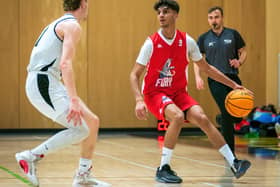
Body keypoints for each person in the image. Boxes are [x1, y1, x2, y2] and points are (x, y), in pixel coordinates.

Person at [129, 0, 251, 184]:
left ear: (176, 15)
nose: (161, 15)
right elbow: (134, 75)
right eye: (159, 12)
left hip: (178, 93)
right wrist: (139, 99)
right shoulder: (151, 43)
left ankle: (234, 162)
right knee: (177, 116)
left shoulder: (187, 41)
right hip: (155, 94)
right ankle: (163, 167)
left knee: (202, 118)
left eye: (166, 11)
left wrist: (234, 85)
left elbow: (207, 69)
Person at [15, 0, 110, 186]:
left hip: (49, 81)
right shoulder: (72, 25)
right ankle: (30, 156)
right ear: (83, 4)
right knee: (80, 129)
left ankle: (83, 176)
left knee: (92, 122)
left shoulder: (60, 22)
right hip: (43, 82)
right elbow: (65, 64)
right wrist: (73, 100)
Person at [195, 6, 247, 154]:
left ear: (222, 18)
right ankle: (230, 153)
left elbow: (243, 51)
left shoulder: (233, 34)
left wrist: (240, 62)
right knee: (226, 111)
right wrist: (198, 76)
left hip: (233, 78)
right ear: (208, 20)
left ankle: (223, 118)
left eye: (216, 17)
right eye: (211, 18)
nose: (214, 20)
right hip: (215, 80)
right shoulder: (204, 38)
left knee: (237, 113)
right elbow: (197, 60)